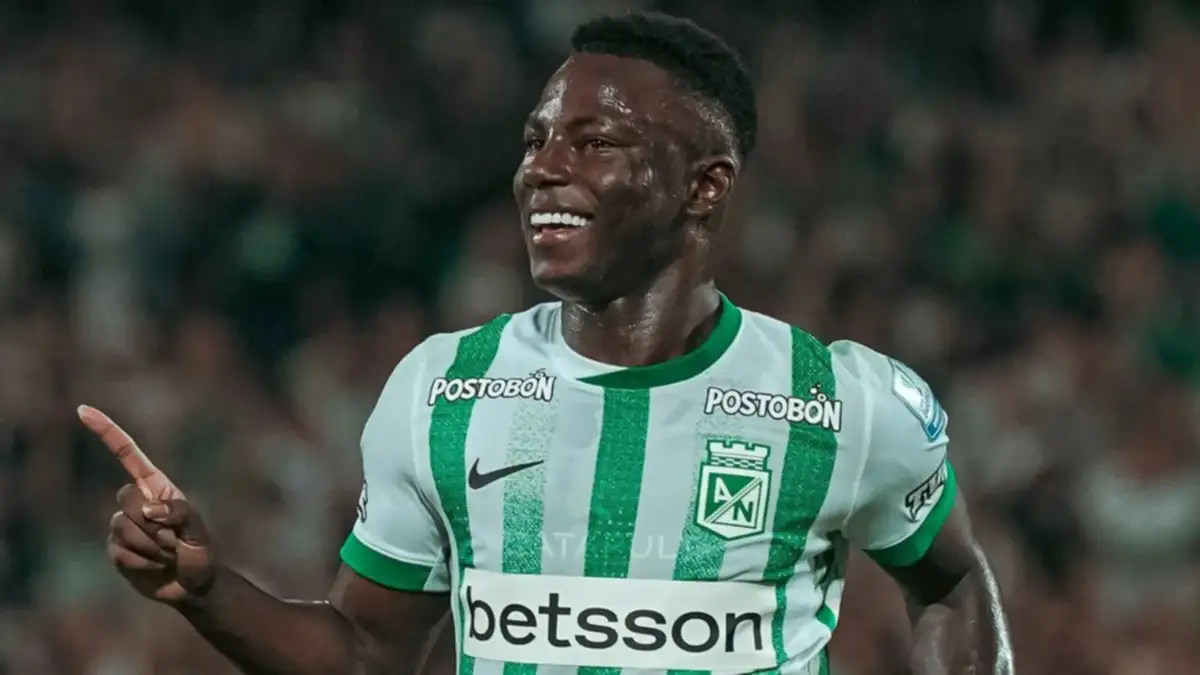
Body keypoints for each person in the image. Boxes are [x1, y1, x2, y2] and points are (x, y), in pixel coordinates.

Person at [84, 11, 1013, 675]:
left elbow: (952, 583)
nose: (542, 169)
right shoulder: (444, 389)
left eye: (594, 141)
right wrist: (207, 590)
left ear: (704, 186)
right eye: (535, 140)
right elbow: (367, 650)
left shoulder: (839, 402)